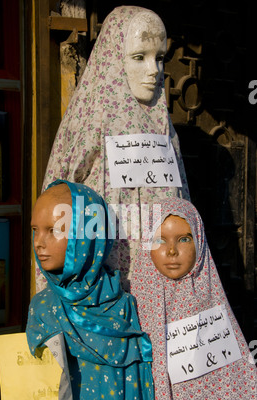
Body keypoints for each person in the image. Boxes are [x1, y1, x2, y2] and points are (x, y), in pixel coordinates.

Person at [38, 6, 190, 293]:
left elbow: (182, 200)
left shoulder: (163, 124)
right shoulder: (93, 118)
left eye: (159, 58)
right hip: (105, 283)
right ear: (113, 59)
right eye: (138, 57)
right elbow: (56, 199)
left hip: (162, 273)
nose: (153, 71)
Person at [2, 180, 156, 400]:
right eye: (35, 230)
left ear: (87, 236)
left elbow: (136, 390)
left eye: (53, 230)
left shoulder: (122, 307)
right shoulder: (41, 306)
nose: (39, 242)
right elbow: (27, 396)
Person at [131, 197, 257, 400]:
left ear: (199, 241)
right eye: (159, 240)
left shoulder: (212, 306)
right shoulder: (130, 309)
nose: (171, 251)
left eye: (184, 239)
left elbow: (234, 388)